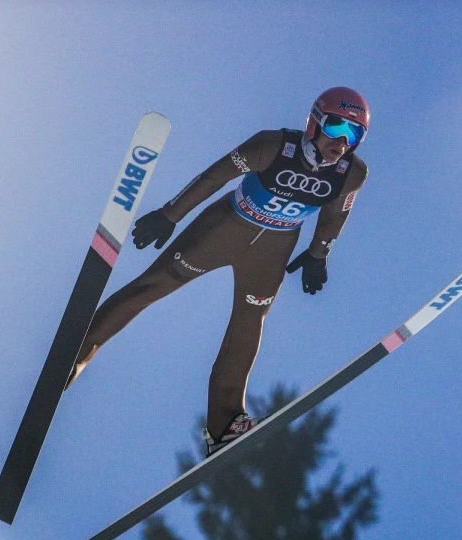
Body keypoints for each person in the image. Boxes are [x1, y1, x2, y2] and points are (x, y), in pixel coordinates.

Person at [66, 87, 370, 456]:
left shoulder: (351, 174)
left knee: (250, 321)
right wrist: (170, 214)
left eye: (354, 134)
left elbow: (336, 215)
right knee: (152, 286)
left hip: (271, 252)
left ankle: (224, 425)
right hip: (223, 229)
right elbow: (215, 176)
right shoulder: (272, 146)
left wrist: (319, 254)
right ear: (314, 122)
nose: (342, 141)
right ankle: (74, 356)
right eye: (337, 126)